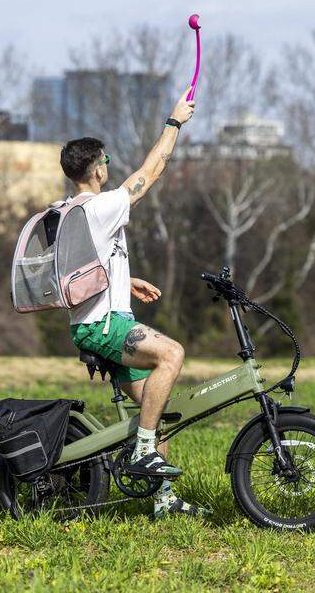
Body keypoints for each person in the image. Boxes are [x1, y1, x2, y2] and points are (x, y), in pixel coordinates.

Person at [59, 87, 206, 518]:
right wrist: (174, 122)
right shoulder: (101, 206)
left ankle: (163, 500)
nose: (109, 167)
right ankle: (143, 452)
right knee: (172, 354)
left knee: (154, 408)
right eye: (105, 161)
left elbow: (88, 267)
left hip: (105, 318)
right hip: (104, 327)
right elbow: (152, 170)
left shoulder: (74, 211)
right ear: (97, 171)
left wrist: (126, 282)